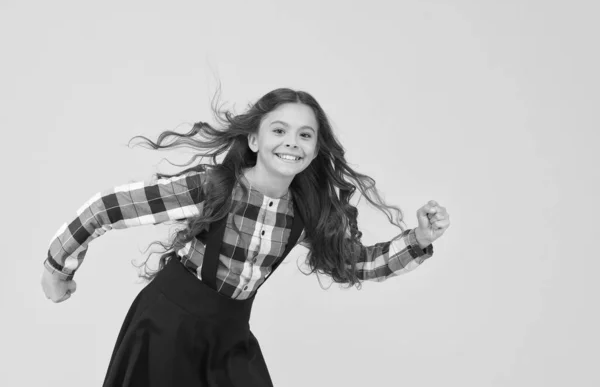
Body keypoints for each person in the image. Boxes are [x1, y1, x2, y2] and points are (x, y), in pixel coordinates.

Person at [41, 87, 451, 386]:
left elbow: (354, 262)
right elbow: (106, 209)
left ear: (314, 149)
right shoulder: (211, 188)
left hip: (229, 337)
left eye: (305, 135)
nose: (292, 141)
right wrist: (56, 269)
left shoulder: (304, 213)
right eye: (279, 130)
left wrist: (417, 237)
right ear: (254, 140)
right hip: (167, 329)